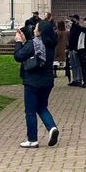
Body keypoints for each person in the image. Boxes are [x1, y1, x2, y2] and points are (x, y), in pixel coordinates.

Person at [14, 19, 59, 148]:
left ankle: (32, 139)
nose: (34, 30)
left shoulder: (34, 44)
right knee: (42, 107)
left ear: (40, 32)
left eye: (36, 28)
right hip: (47, 81)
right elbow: (30, 51)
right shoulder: (50, 44)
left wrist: (18, 42)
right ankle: (52, 128)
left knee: (30, 111)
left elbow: (19, 56)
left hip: (32, 82)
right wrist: (24, 42)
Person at [66, 15, 83, 86]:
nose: (72, 20)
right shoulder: (73, 27)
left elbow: (78, 38)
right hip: (71, 48)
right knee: (73, 65)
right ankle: (75, 79)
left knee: (77, 64)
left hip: (75, 48)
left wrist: (76, 48)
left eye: (74, 19)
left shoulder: (78, 27)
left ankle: (79, 79)